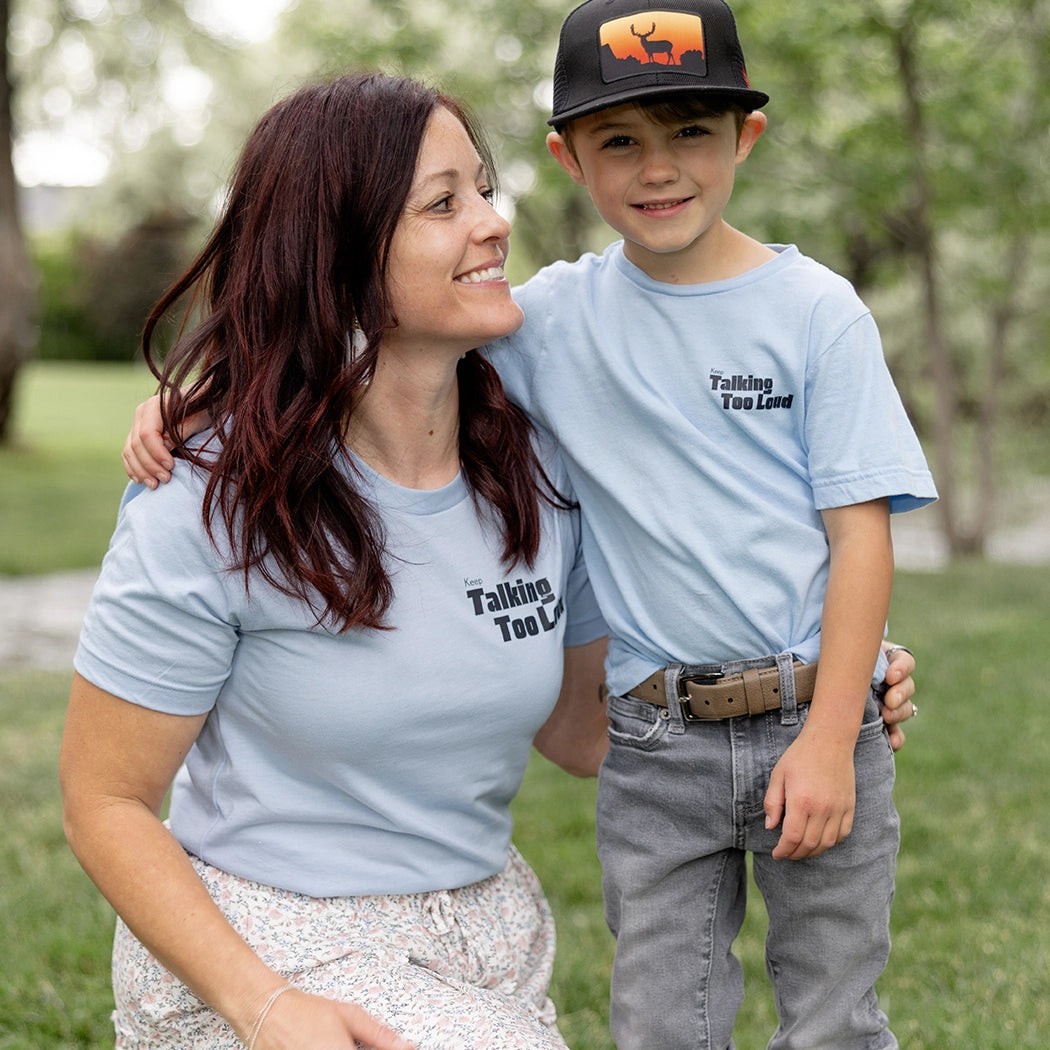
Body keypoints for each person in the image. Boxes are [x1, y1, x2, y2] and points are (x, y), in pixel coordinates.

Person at [119, 10, 927, 1048]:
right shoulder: (545, 322)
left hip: (811, 719)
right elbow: (340, 337)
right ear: (571, 160)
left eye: (691, 131)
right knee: (662, 1017)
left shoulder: (816, 314)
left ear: (747, 140)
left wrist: (836, 705)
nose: (660, 168)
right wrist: (196, 406)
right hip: (656, 740)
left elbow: (859, 535)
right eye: (621, 141)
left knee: (833, 1011)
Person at [60, 72, 612, 1050]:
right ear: (341, 253)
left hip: (481, 938)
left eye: (483, 189)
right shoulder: (210, 496)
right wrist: (266, 1006)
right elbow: (105, 799)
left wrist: (806, 686)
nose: (492, 223)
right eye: (444, 203)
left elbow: (584, 733)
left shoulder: (534, 466)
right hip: (262, 947)